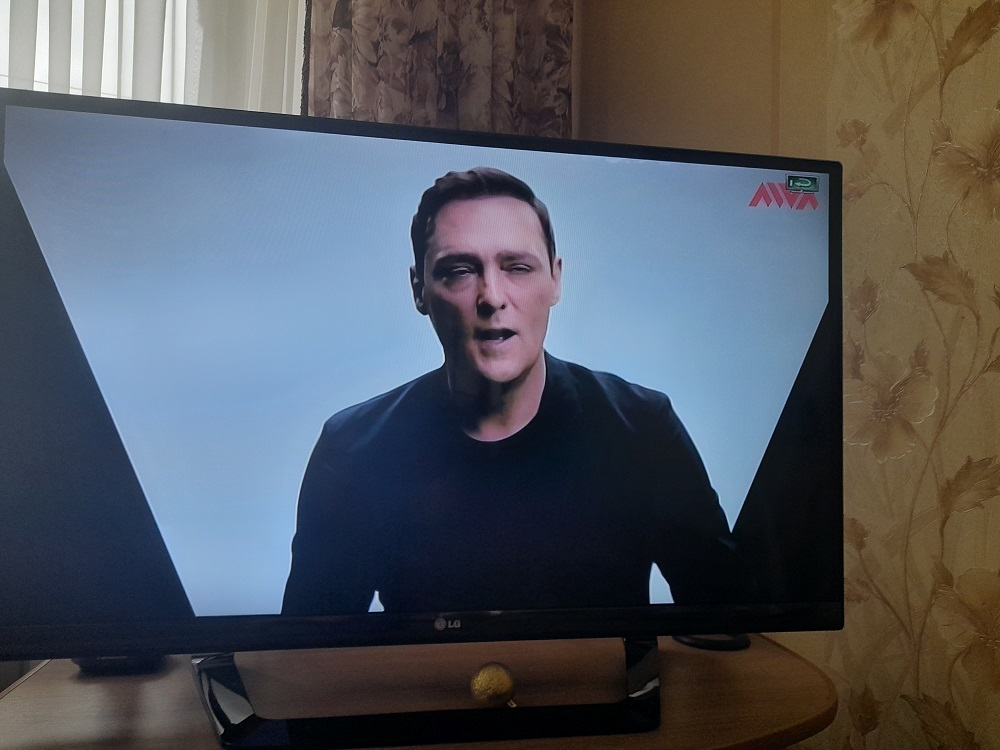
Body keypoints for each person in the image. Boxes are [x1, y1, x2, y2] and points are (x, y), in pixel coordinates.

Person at [281, 167, 744, 616]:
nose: (492, 297)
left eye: (518, 267)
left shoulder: (642, 427)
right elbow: (309, 651)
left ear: (556, 279)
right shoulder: (354, 448)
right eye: (459, 271)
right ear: (419, 289)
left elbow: (731, 620)